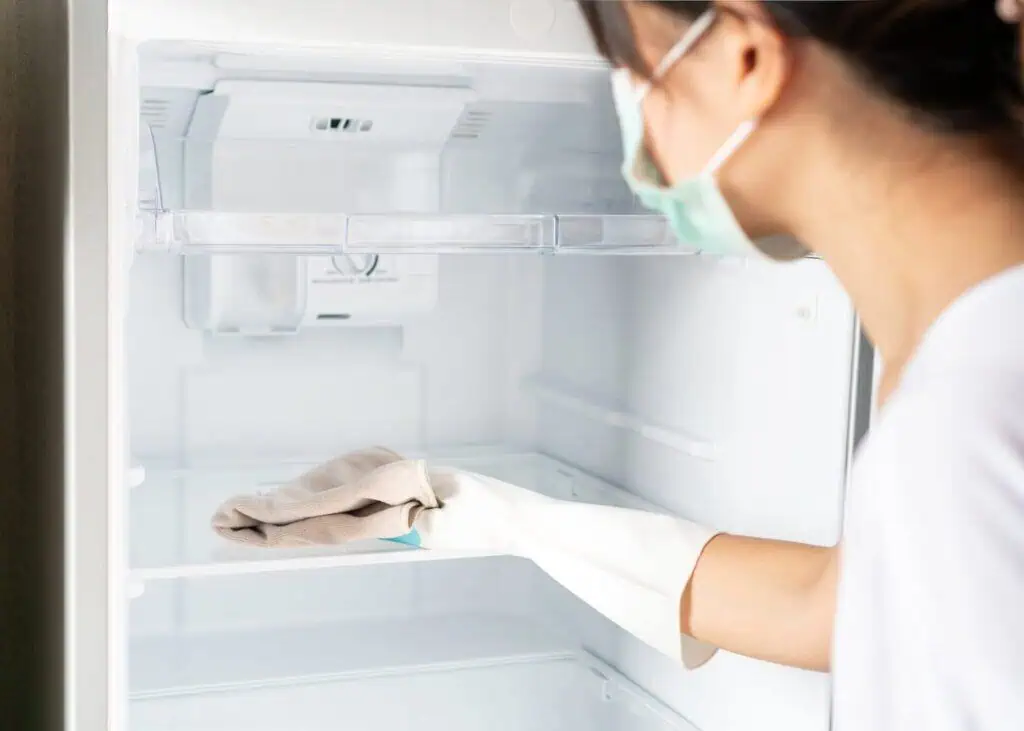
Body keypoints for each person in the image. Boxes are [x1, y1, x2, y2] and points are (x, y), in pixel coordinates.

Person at [566, 1, 1024, 729]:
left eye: (635, 71)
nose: (639, 128)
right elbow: (839, 602)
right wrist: (492, 516)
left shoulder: (966, 421)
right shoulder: (963, 355)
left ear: (747, 59)